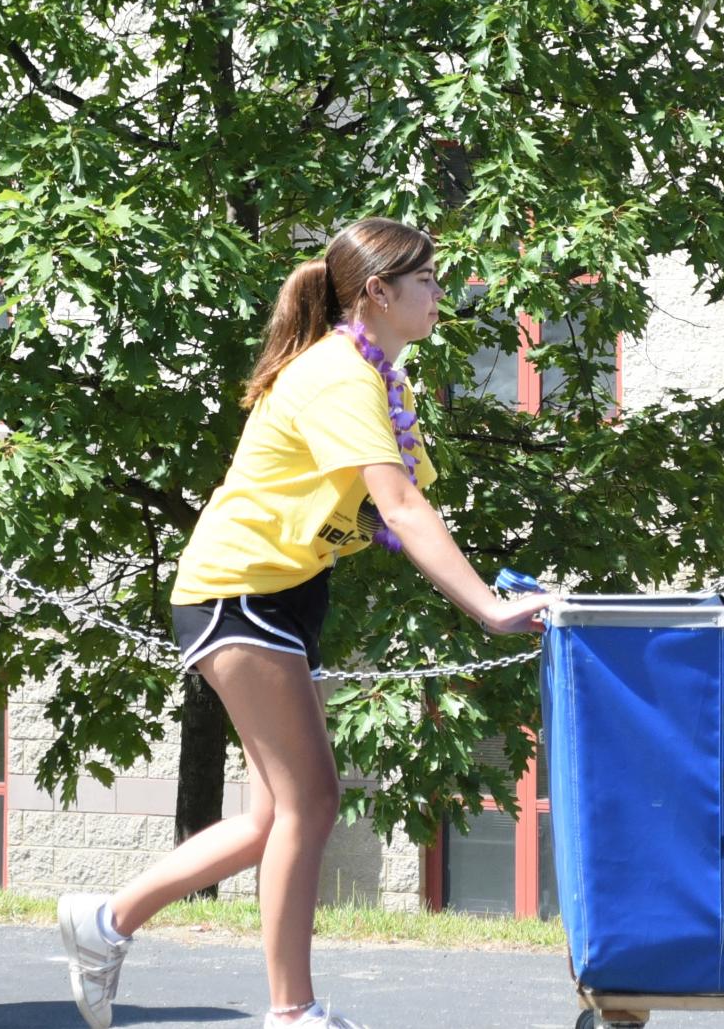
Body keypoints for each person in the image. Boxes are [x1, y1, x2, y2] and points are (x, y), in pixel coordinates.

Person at [56, 217, 555, 1029]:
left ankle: (104, 921)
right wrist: (489, 609)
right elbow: (401, 503)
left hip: (281, 593)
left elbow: (390, 515)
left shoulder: (383, 378)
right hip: (238, 590)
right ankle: (292, 1012)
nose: (441, 293)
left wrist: (493, 583)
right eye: (426, 280)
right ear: (378, 293)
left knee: (274, 815)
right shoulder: (338, 376)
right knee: (312, 801)